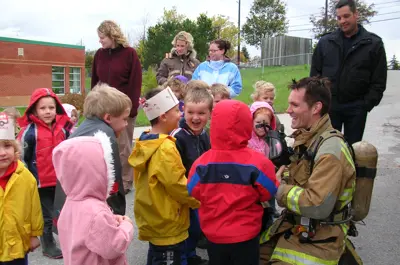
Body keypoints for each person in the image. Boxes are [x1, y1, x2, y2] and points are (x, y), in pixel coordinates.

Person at [259, 77, 356, 265]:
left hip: (321, 234)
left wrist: (278, 187)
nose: (288, 111)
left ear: (316, 108)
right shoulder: (309, 137)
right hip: (298, 224)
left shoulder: (331, 151)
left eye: (294, 105)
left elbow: (317, 205)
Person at [187, 100, 279, 265]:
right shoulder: (258, 162)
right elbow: (269, 190)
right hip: (246, 235)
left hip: (214, 235)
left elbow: (193, 190)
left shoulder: (201, 163)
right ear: (246, 124)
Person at [129, 87, 200, 265]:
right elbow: (177, 184)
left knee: (155, 256)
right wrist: (199, 200)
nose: (180, 114)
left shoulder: (145, 141)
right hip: (169, 222)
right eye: (176, 110)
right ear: (163, 116)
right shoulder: (166, 148)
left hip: (155, 217)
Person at [310, 0, 387, 145]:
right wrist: (319, 102)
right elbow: (315, 75)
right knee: (328, 148)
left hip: (357, 108)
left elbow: (379, 80)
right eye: (339, 18)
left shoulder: (373, 44)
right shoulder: (326, 42)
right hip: (330, 107)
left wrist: (365, 104)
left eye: (346, 16)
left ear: (356, 14)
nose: (342, 21)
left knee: (353, 151)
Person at [54, 83, 132, 224]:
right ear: (108, 118)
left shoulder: (81, 130)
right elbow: (112, 183)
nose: (126, 124)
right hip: (98, 215)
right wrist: (117, 217)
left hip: (71, 211)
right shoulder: (106, 137)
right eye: (124, 119)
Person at [53, 132, 134, 265]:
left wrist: (112, 221)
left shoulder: (72, 201)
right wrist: (127, 226)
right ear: (97, 170)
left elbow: (86, 230)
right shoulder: (95, 210)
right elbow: (114, 246)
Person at [17, 88, 73, 259]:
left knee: (64, 212)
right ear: (34, 110)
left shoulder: (65, 129)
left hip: (61, 181)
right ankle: (48, 244)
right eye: (43, 108)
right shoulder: (29, 132)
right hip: (40, 183)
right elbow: (22, 157)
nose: (48, 112)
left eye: (51, 107)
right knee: (46, 216)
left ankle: (67, 240)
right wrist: (26, 180)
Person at [91, 20, 142, 194]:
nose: (100, 41)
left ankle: (125, 183)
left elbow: (135, 83)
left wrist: (132, 109)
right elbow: (95, 83)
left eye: (102, 37)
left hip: (123, 109)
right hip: (103, 109)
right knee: (102, 146)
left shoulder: (130, 54)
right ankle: (106, 181)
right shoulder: (99, 55)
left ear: (112, 35)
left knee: (123, 147)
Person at [170, 86, 213, 265]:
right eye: (190, 112)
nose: (195, 118)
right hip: (183, 193)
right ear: (183, 110)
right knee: (185, 228)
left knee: (196, 228)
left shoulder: (205, 134)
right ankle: (184, 257)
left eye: (201, 113)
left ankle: (191, 253)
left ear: (210, 113)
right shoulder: (177, 137)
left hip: (200, 192)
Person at [0, 111, 43, 265]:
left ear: (15, 149)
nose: (2, 153)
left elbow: (34, 208)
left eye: (7, 146)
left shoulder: (25, 177)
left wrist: (34, 234)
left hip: (17, 242)